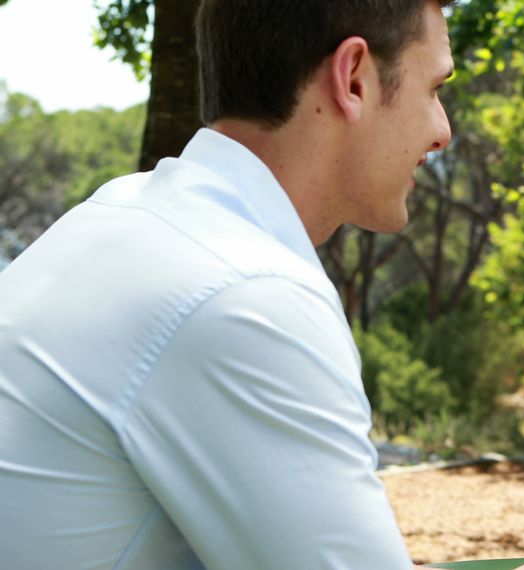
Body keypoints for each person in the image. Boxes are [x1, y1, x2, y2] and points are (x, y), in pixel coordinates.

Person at [0, 0, 457, 567]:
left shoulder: (116, 215)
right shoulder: (247, 296)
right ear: (354, 79)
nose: (443, 131)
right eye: (436, 88)